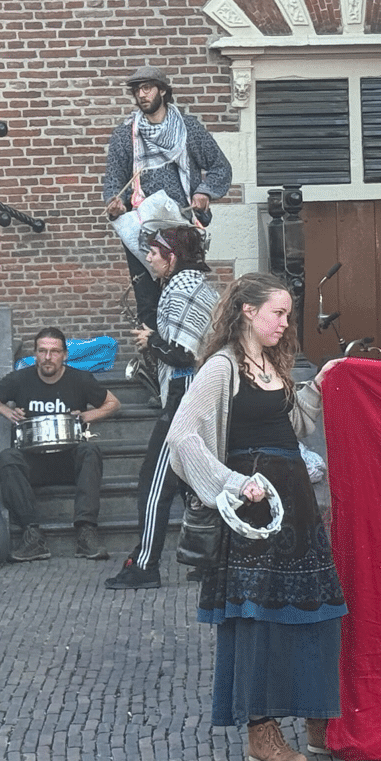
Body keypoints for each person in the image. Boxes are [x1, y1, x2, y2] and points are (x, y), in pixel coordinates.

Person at [168, 271, 347, 761]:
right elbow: (181, 436)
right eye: (278, 313)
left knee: (315, 611)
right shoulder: (222, 368)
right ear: (248, 311)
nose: (285, 323)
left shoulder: (272, 363)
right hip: (256, 516)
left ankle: (318, 717)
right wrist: (229, 482)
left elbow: (293, 425)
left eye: (287, 314)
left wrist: (321, 384)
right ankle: (260, 731)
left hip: (296, 505)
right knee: (257, 621)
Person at [105, 226, 220, 591]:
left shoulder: (183, 288)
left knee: (154, 482)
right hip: (196, 393)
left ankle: (145, 565)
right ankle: (210, 561)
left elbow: (184, 354)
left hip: (185, 394)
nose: (149, 258)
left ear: (172, 257)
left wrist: (151, 340)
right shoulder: (193, 284)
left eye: (155, 253)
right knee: (193, 481)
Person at [103, 65, 233, 330]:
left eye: (147, 88)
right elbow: (115, 180)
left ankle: (184, 352)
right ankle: (153, 355)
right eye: (137, 90)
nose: (141, 94)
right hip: (142, 229)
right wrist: (116, 204)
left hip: (181, 228)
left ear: (162, 91)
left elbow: (220, 167)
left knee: (185, 297)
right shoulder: (125, 135)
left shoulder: (189, 129)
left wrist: (203, 191)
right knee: (148, 304)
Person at [0, 329, 121, 562]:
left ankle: (86, 531)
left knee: (90, 450)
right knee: (7, 457)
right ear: (35, 354)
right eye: (42, 351)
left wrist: (86, 416)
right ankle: (32, 535)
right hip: (33, 461)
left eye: (54, 352)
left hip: (68, 459)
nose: (48, 357)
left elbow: (114, 403)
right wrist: (8, 412)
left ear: (65, 355)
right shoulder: (21, 378)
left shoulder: (80, 379)